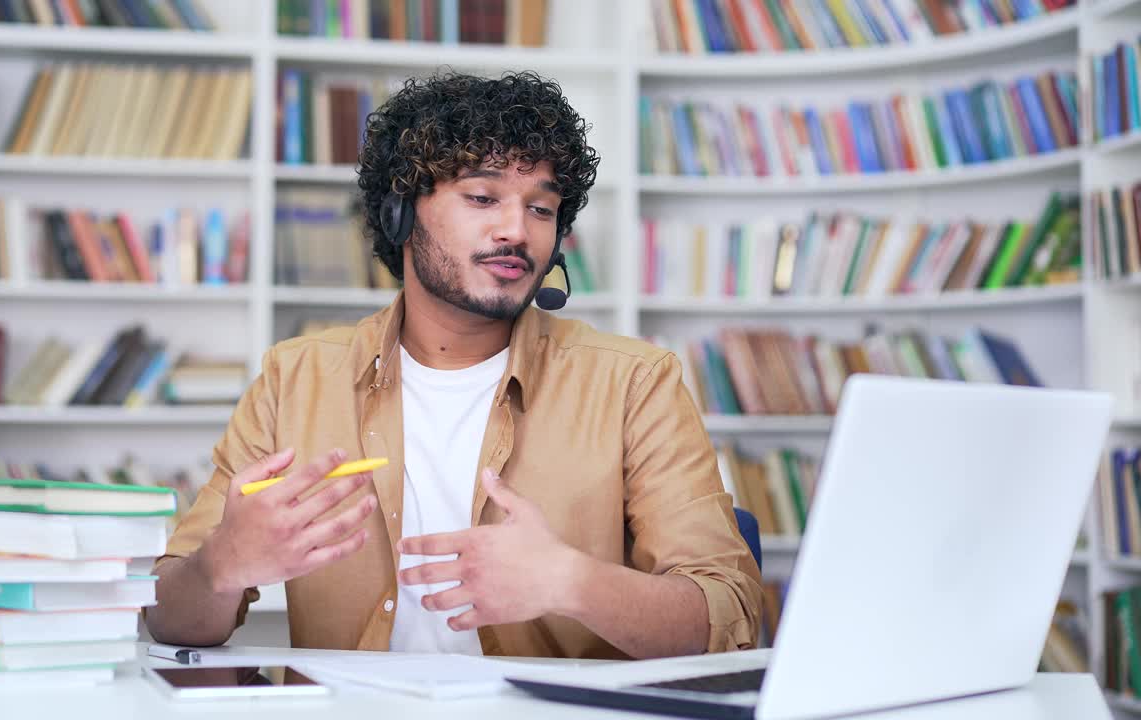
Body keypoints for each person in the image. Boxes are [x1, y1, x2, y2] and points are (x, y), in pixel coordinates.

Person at [145, 71, 763, 660]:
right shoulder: (295, 378)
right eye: (482, 196)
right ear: (401, 214)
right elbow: (170, 617)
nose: (517, 230)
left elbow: (728, 619)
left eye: (542, 209)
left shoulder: (634, 383)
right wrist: (223, 565)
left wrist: (571, 582)